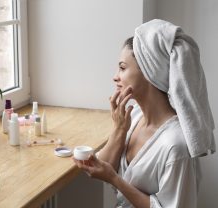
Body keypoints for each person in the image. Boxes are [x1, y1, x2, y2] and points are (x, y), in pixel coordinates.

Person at [73, 19, 215, 208]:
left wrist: (116, 180)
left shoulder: (176, 146)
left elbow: (110, 175)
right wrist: (119, 130)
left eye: (122, 68)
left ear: (150, 72)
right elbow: (102, 167)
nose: (115, 76)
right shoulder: (134, 118)